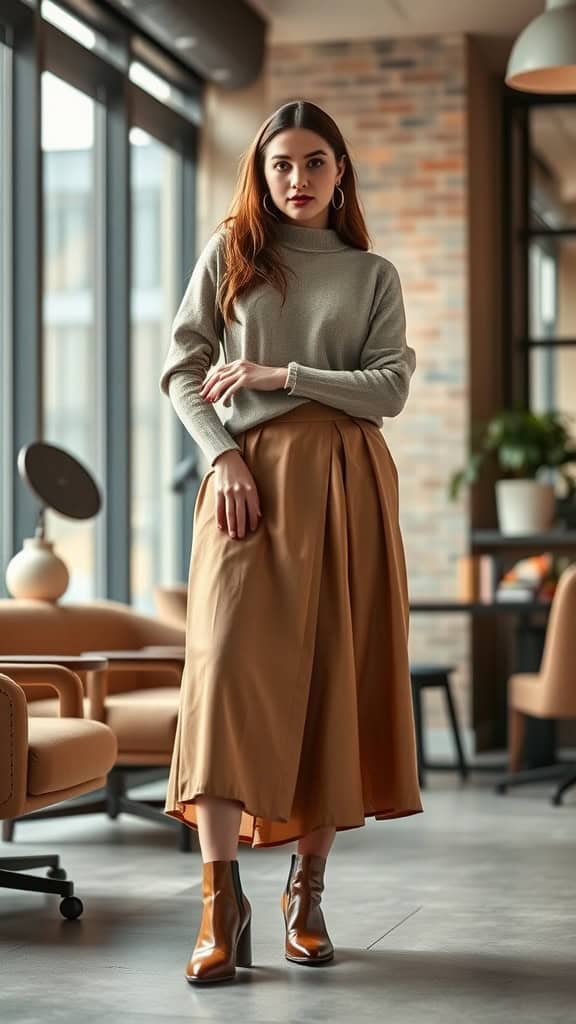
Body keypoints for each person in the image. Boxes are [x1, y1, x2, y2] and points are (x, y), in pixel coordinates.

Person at [159, 99, 423, 986]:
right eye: (281, 165)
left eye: (315, 163)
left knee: (329, 685)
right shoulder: (232, 253)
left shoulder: (371, 273)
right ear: (261, 173)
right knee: (227, 677)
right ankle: (218, 900)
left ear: (340, 171)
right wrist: (224, 456)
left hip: (348, 486)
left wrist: (284, 373)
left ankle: (305, 896)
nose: (298, 180)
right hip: (248, 488)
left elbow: (388, 388)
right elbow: (183, 367)